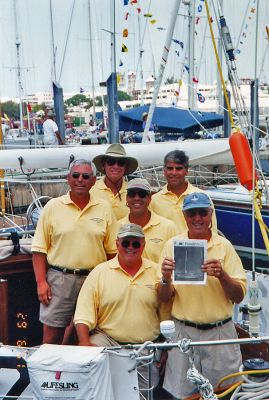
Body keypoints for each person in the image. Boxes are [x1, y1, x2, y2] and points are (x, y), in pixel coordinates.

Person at [157, 192, 247, 399]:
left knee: (225, 393)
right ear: (184, 216)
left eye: (202, 213)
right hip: (183, 333)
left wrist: (222, 275)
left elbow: (239, 296)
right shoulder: (172, 245)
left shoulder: (225, 247)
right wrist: (165, 277)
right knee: (181, 394)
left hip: (219, 333)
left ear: (210, 214)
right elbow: (163, 296)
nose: (197, 218)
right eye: (192, 214)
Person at [31, 159, 117, 344]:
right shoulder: (52, 207)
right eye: (76, 175)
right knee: (52, 336)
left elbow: (112, 252)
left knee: (90, 336)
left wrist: (110, 283)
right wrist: (40, 283)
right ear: (68, 178)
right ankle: (50, 372)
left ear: (93, 181)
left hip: (94, 280)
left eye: (86, 176)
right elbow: (39, 250)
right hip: (59, 279)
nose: (80, 180)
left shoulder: (104, 208)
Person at [150, 150, 217, 233]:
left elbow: (212, 230)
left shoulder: (203, 197)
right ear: (164, 171)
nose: (174, 173)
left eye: (178, 169)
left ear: (187, 171)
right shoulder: (154, 200)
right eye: (170, 168)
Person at [118, 178, 177, 263]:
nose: (137, 198)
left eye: (142, 194)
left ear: (149, 198)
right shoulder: (117, 227)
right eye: (132, 194)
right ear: (127, 198)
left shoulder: (168, 227)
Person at [91, 143, 138, 220]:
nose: (116, 166)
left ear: (125, 167)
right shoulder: (91, 190)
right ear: (103, 165)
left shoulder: (135, 192)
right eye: (111, 162)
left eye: (121, 163)